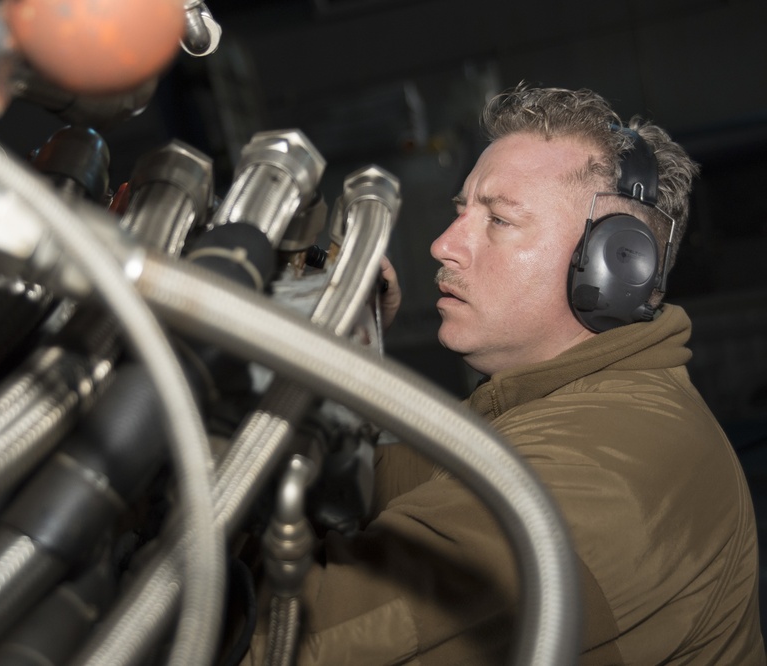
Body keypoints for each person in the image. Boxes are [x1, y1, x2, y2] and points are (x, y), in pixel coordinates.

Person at [242, 85, 764, 664]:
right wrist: (350, 350)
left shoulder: (606, 469)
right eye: (460, 210)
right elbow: (381, 486)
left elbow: (287, 640)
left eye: (499, 219)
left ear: (619, 264)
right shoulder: (542, 402)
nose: (444, 244)